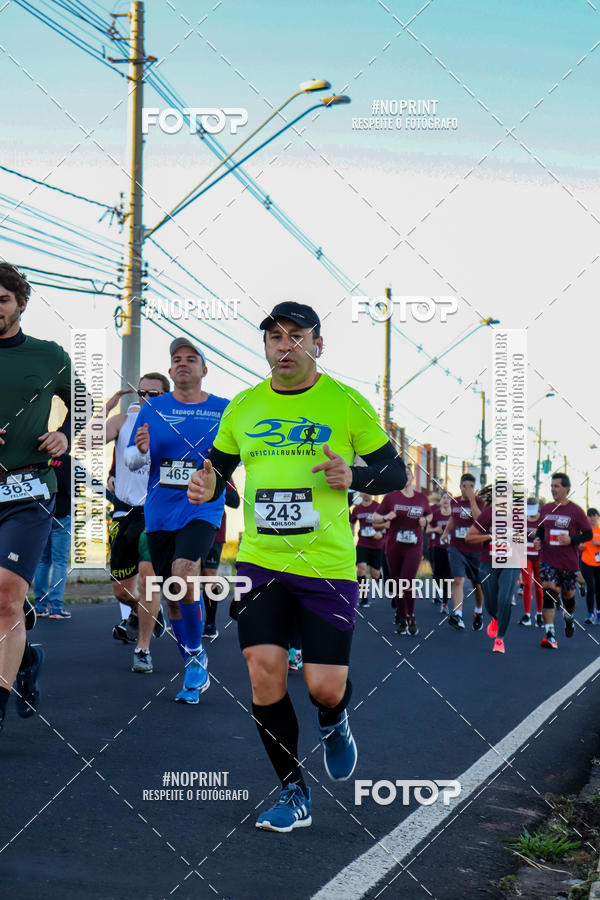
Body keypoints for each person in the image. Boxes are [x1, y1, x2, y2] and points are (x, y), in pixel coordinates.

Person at [187, 301, 406, 832]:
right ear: (264, 347)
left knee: (324, 687)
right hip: (261, 562)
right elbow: (218, 466)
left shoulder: (346, 403)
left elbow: (394, 472)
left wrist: (353, 478)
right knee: (263, 674)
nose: (284, 345)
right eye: (274, 337)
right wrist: (207, 483)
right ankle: (293, 791)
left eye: (296, 336)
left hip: (327, 567)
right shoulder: (244, 406)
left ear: (317, 344)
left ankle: (333, 720)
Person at [126, 338, 228, 702]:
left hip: (202, 506)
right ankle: (192, 656)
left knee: (186, 572)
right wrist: (140, 451)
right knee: (172, 595)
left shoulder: (223, 409)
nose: (183, 363)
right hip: (159, 511)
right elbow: (133, 462)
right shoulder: (153, 408)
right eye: (176, 359)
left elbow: (240, 456)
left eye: (191, 359)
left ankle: (196, 658)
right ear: (170, 371)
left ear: (204, 369)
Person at [0, 263, 72, 735]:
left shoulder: (49, 356)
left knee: (6, 594)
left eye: (2, 299)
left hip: (28, 489)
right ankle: (25, 658)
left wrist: (64, 434)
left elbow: (83, 409)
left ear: (20, 303)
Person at [88, 375, 169, 674]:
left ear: (165, 397)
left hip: (155, 512)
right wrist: (107, 406)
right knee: (122, 592)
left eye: (154, 393)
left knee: (149, 578)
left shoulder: (171, 426)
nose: (147, 397)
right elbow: (85, 441)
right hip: (123, 513)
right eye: (142, 391)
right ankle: (146, 613)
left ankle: (143, 649)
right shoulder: (123, 420)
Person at [535, 473, 592, 649]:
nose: (553, 489)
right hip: (548, 559)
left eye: (557, 486)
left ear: (566, 488)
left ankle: (569, 617)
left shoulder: (575, 511)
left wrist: (572, 540)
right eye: (552, 486)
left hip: (569, 562)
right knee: (549, 592)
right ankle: (550, 635)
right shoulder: (546, 509)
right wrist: (538, 539)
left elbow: (588, 534)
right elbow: (540, 529)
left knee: (568, 597)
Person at [373, 468, 432, 636]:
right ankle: (401, 615)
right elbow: (375, 517)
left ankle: (411, 615)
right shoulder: (391, 497)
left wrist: (424, 520)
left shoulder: (421, 498)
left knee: (407, 580)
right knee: (397, 584)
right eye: (402, 474)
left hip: (414, 546)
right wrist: (386, 517)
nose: (405, 477)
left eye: (408, 474)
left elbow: (429, 515)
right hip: (393, 546)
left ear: (413, 477)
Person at [464, 484, 520, 653]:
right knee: (491, 604)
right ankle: (495, 618)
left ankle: (500, 639)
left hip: (511, 562)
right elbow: (469, 537)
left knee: (504, 599)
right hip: (488, 562)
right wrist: (489, 536)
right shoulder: (488, 514)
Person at [440, 473, 485, 631]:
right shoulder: (455, 502)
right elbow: (453, 518)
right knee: (457, 579)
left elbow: (479, 520)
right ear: (460, 487)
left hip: (475, 548)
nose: (467, 489)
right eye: (465, 486)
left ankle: (478, 611)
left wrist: (472, 500)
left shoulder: (480, 502)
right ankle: (458, 614)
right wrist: (446, 532)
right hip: (456, 546)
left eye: (471, 487)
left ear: (474, 488)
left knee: (476, 584)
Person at [32, 453, 72, 619]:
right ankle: (56, 607)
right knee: (60, 561)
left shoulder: (40, 458)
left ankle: (40, 607)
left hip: (43, 513)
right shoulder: (69, 461)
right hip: (62, 514)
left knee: (43, 560)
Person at [202, 479, 240, 641]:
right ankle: (187, 621)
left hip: (214, 527)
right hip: (184, 525)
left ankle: (210, 623)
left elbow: (235, 501)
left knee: (208, 578)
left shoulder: (220, 468)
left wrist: (215, 488)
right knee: (185, 576)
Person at [350, 491, 387, 608]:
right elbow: (351, 522)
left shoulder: (378, 507)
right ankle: (364, 598)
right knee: (361, 569)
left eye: (369, 492)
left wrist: (380, 533)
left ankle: (385, 585)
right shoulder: (357, 509)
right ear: (361, 494)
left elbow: (387, 523)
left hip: (377, 545)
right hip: (362, 544)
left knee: (374, 573)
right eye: (364, 492)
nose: (367, 494)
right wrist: (351, 533)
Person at [427, 491, 452, 614]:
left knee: (448, 575)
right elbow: (427, 529)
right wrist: (435, 529)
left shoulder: (455, 515)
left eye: (448, 498)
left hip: (452, 548)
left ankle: (445, 603)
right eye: (444, 498)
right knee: (437, 574)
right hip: (438, 547)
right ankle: (439, 590)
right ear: (441, 501)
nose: (446, 500)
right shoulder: (435, 514)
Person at [519, 498, 543, 628]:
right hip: (525, 555)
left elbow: (548, 535)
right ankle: (527, 615)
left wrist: (538, 534)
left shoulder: (542, 520)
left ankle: (539, 614)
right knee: (527, 584)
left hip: (539, 556)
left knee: (539, 586)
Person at [580, 507, 600, 625]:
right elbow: (577, 544)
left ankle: (598, 613)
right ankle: (589, 614)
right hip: (586, 563)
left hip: (598, 564)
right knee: (591, 588)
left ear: (598, 518)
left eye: (594, 515)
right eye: (590, 516)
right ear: (587, 518)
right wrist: (580, 546)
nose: (592, 518)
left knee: (598, 589)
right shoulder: (584, 532)